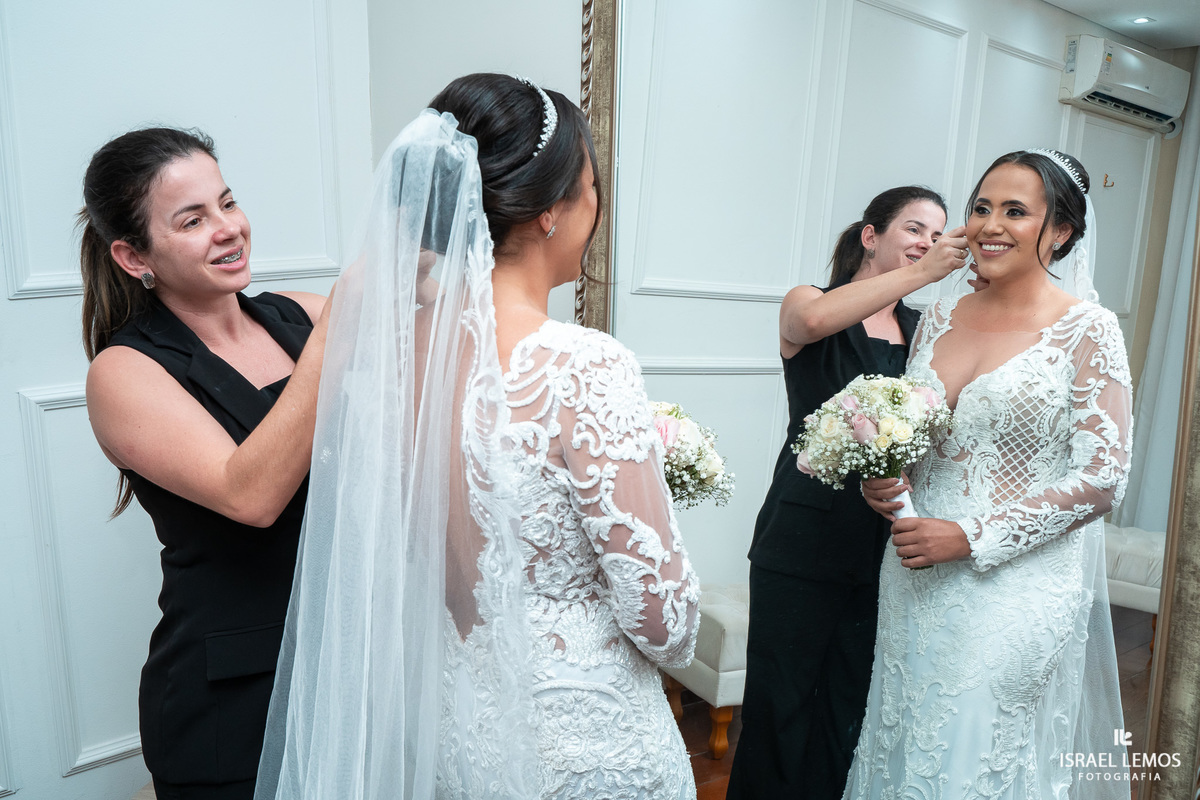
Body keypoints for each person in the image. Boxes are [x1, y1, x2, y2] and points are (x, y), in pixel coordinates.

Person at [254, 74, 700, 800]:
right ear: (553, 212)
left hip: (461, 742)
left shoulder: (385, 367)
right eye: (591, 186)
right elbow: (667, 622)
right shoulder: (584, 363)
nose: (597, 207)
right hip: (586, 745)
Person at [849, 150, 1132, 799]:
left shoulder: (1088, 330)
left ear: (1060, 230)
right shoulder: (940, 318)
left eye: (1015, 210)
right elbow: (918, 441)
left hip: (1012, 584)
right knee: (904, 741)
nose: (990, 224)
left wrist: (972, 535)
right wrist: (883, 480)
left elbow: (1102, 478)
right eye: (981, 207)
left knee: (970, 756)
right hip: (915, 576)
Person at [80, 127, 330, 800]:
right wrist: (341, 339)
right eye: (192, 220)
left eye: (228, 203)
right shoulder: (124, 372)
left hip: (346, 673)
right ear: (135, 256)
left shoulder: (297, 318)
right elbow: (250, 493)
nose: (229, 229)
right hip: (232, 703)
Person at [726, 186, 969, 799]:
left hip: (885, 544)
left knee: (849, 706)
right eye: (915, 230)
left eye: (938, 237)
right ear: (871, 236)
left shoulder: (925, 331)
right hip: (801, 538)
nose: (927, 244)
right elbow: (807, 323)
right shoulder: (810, 303)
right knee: (779, 705)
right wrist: (924, 273)